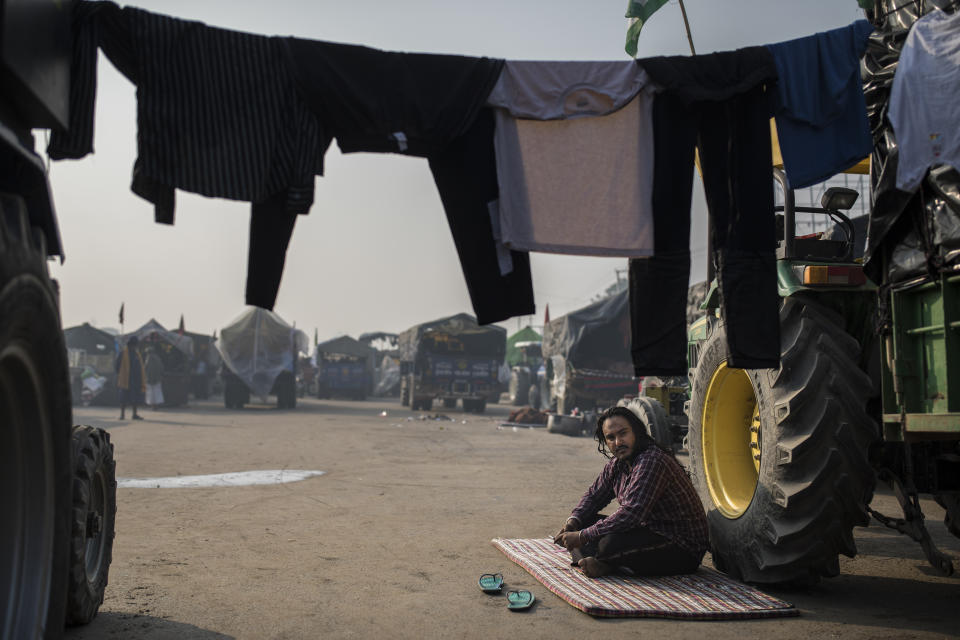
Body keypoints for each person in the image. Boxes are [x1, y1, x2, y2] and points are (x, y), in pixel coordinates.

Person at [553, 405, 709, 578]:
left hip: (682, 546)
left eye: (623, 434)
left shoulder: (651, 460)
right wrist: (573, 522)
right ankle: (608, 562)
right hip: (646, 532)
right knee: (584, 522)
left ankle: (608, 563)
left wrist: (582, 536)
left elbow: (630, 514)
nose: (618, 442)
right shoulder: (617, 464)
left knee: (608, 544)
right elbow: (594, 496)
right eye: (611, 438)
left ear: (636, 432)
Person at [116, 335, 146, 420]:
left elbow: (140, 367)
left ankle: (134, 414)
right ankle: (122, 415)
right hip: (125, 379)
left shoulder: (137, 354)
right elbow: (117, 366)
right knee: (123, 398)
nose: (134, 346)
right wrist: (121, 374)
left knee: (135, 398)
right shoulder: (123, 354)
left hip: (136, 380)